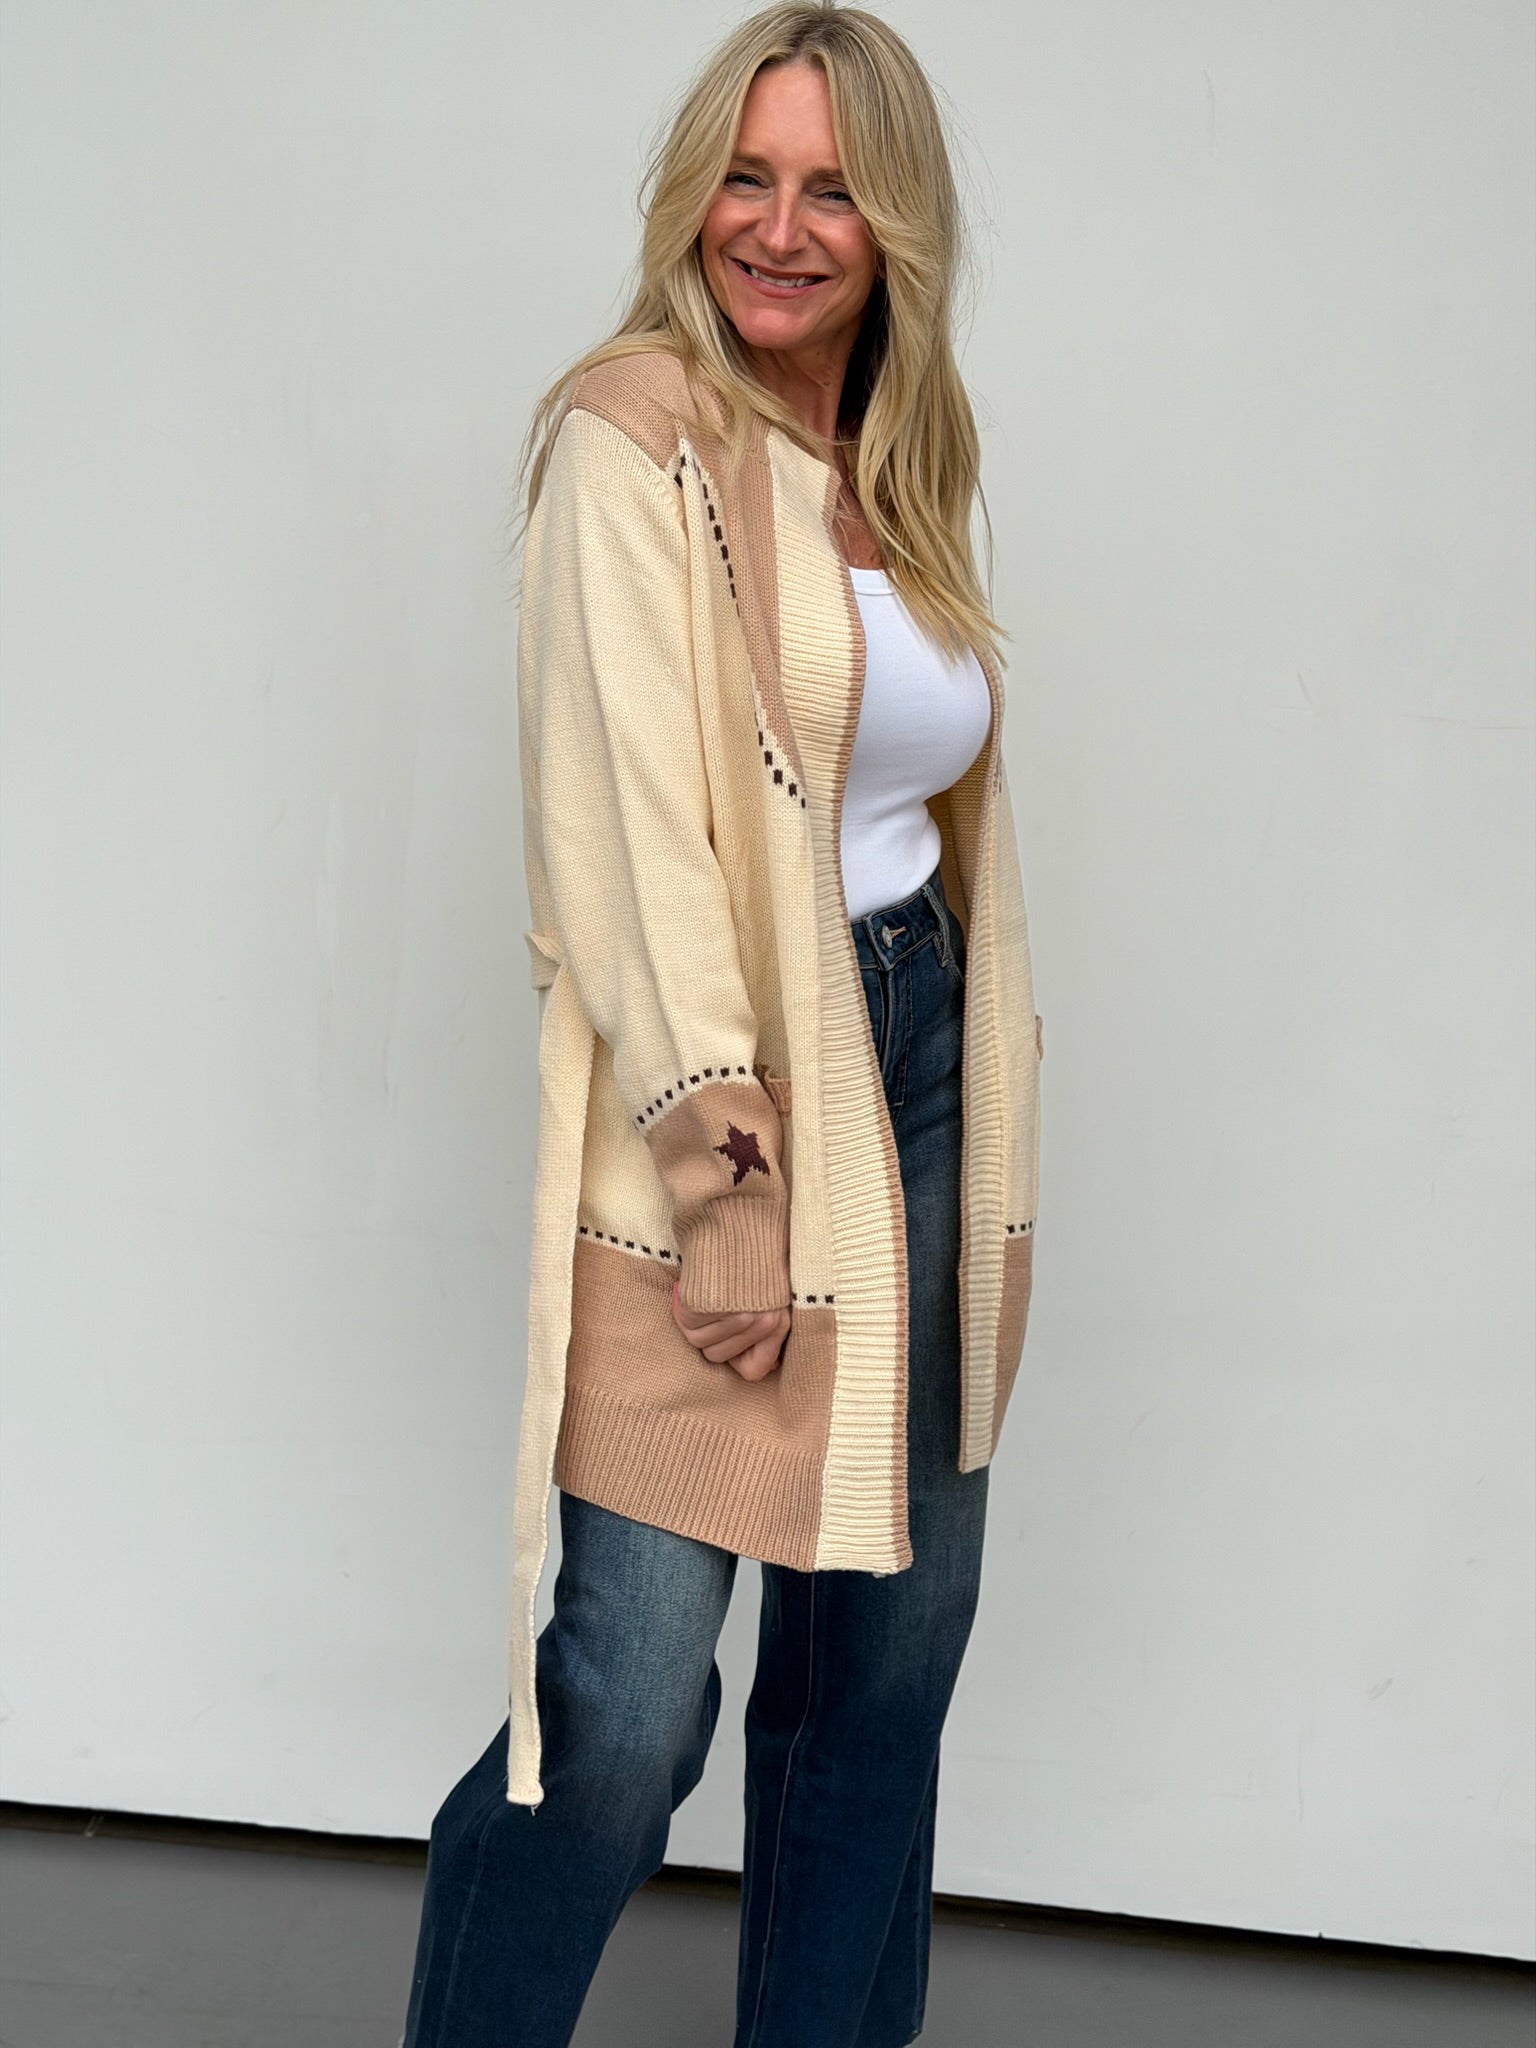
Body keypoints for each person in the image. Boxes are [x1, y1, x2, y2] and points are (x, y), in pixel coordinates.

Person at [401, 5, 1043, 2043]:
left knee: (881, 1679)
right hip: (736, 1106)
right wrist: (720, 1164)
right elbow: (623, 830)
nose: (779, 227)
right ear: (694, 193)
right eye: (748, 178)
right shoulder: (633, 432)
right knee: (625, 1704)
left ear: (897, 223)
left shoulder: (901, 458)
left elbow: (918, 805)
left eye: (833, 189)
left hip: (921, 1071)